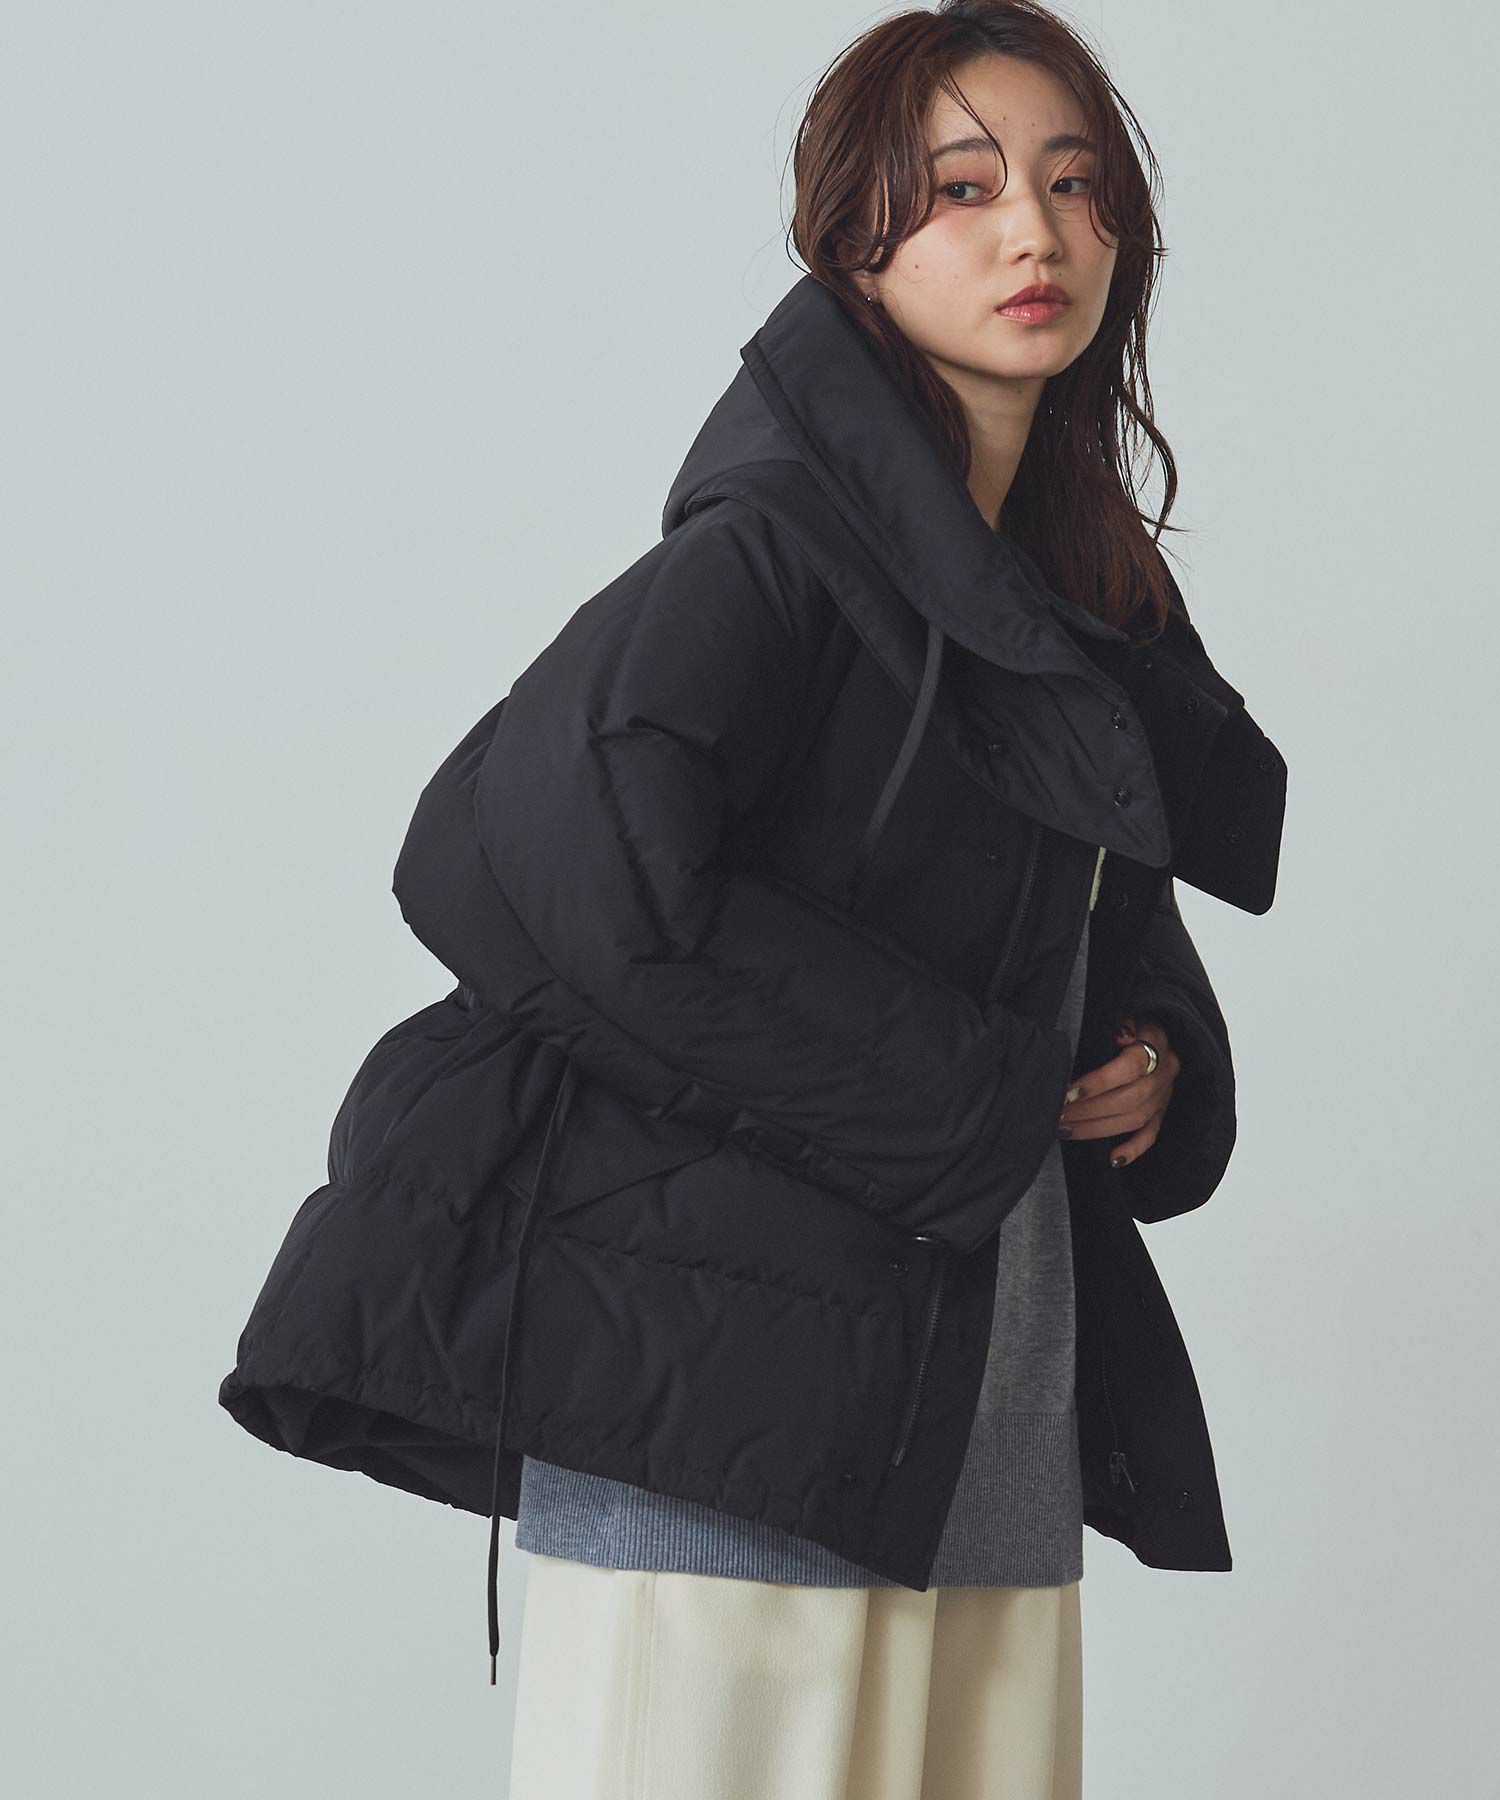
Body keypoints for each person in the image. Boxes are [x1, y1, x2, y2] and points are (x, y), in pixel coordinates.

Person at [217, 3, 1287, 1794]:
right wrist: (968, 1085)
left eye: (1075, 183)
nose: (1034, 231)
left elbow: (1070, 907)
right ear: (856, 242)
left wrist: (1153, 1049)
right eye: (964, 189)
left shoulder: (1065, 591)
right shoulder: (771, 547)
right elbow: (545, 859)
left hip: (978, 1401)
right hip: (716, 1397)